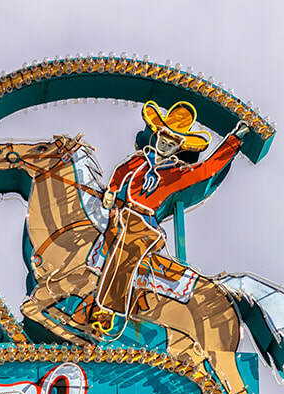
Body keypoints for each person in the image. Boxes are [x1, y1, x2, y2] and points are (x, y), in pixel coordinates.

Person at [92, 100, 250, 320]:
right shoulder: (139, 160)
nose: (166, 143)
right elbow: (120, 173)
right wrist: (111, 190)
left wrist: (234, 139)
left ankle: (108, 311)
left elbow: (208, 169)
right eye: (164, 137)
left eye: (173, 142)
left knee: (127, 249)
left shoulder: (177, 173)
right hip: (121, 215)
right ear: (158, 136)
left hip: (145, 225)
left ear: (180, 147)